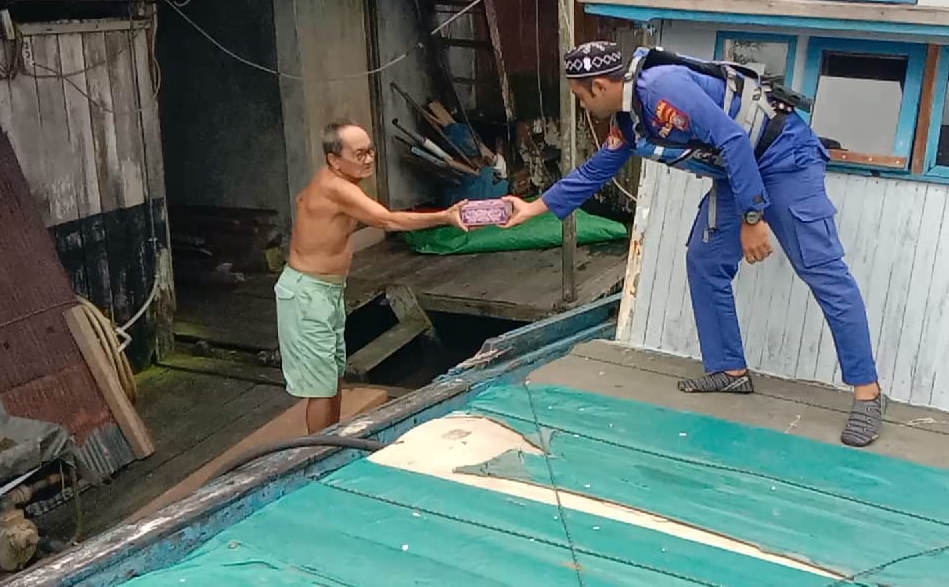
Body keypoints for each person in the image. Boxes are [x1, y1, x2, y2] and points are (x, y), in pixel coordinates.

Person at [499, 42, 887, 447]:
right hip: (737, 170)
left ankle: (868, 393)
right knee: (705, 259)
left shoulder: (662, 87)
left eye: (580, 96)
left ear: (598, 86)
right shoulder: (629, 118)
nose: (581, 105)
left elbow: (733, 138)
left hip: (783, 158)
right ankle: (730, 371)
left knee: (823, 271)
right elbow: (598, 169)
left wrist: (753, 218)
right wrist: (533, 209)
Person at [276, 119, 466, 433]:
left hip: (325, 290)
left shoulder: (340, 184)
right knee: (321, 386)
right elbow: (387, 221)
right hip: (307, 292)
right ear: (334, 160)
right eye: (359, 153)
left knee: (331, 375)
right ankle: (318, 453)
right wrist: (444, 216)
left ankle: (329, 442)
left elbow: (303, 200)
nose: (368, 159)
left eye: (370, 151)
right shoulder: (336, 187)